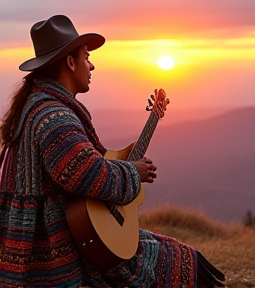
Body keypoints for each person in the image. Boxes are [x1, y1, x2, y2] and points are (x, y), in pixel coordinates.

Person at [0, 15, 225, 288]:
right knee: (177, 262)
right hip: (50, 249)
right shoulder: (54, 117)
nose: (92, 65)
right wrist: (134, 171)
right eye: (86, 57)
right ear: (70, 63)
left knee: (171, 253)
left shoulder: (40, 107)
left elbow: (83, 165)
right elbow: (86, 174)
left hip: (58, 235)